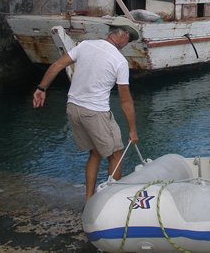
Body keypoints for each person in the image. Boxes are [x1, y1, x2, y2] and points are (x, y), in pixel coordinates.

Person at [32, 16, 140, 202]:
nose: (127, 44)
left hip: (73, 108)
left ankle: (89, 200)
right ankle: (110, 202)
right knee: (116, 154)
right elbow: (125, 101)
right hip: (95, 113)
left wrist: (41, 88)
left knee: (95, 152)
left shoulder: (85, 45)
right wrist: (132, 130)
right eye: (129, 40)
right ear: (123, 35)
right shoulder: (119, 61)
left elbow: (57, 65)